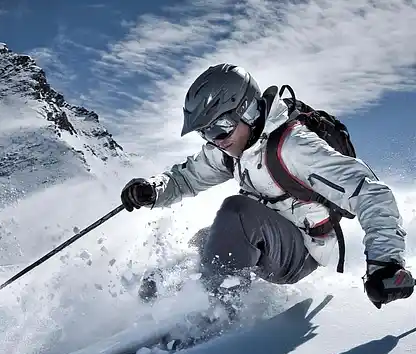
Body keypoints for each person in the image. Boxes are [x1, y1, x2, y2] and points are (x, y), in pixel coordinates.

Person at [120, 63, 413, 311]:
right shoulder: (231, 147)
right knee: (202, 243)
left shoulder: (294, 147)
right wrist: (153, 190)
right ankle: (150, 312)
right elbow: (187, 177)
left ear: (247, 110)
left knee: (236, 213)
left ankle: (214, 317)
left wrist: (385, 263)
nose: (215, 140)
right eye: (205, 133)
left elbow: (370, 192)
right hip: (269, 238)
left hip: (303, 251)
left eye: (219, 128)